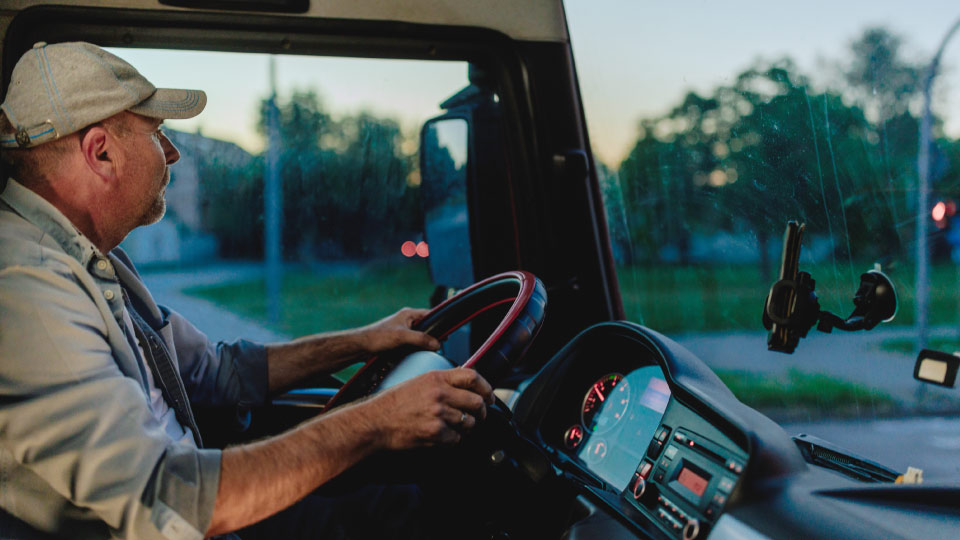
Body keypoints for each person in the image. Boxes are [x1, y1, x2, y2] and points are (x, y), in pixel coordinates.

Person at [0, 41, 494, 539]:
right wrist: (376, 422)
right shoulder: (26, 289)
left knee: (395, 497)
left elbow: (217, 372)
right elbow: (166, 497)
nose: (172, 152)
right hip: (193, 516)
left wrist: (366, 340)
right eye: (158, 133)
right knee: (408, 513)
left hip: (205, 505)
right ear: (101, 152)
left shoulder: (94, 260)